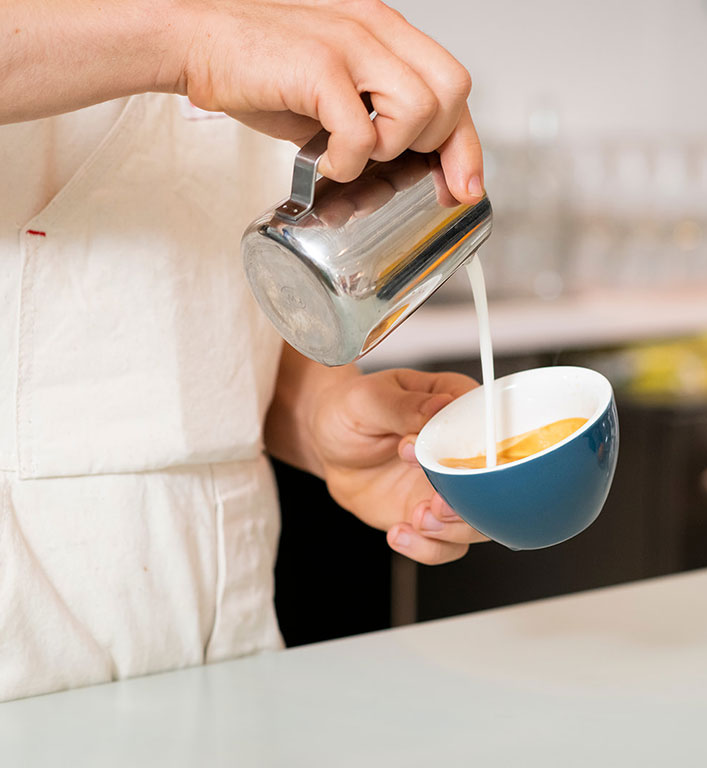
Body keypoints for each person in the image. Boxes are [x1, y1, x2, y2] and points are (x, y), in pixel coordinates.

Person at [0, 0, 488, 700]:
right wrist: (188, 41)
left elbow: (175, 307)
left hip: (214, 626)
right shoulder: (204, 23)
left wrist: (320, 416)